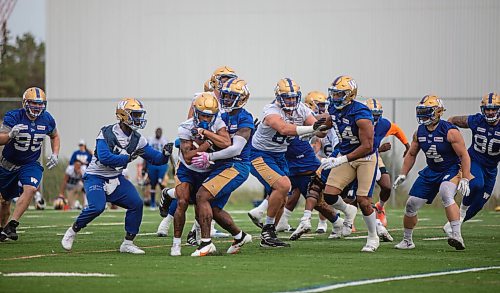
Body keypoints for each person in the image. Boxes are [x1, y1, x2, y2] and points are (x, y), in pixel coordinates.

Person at [60, 98, 173, 254]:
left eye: (139, 115)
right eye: (135, 114)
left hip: (115, 178)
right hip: (96, 176)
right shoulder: (107, 132)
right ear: (123, 115)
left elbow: (156, 159)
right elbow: (104, 157)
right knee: (97, 207)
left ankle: (128, 243)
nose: (138, 119)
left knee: (136, 203)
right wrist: (126, 158)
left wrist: (165, 154)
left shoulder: (138, 139)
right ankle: (73, 230)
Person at [249, 78, 326, 248]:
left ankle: (270, 235)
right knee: (283, 185)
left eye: (293, 97)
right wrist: (314, 128)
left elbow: (320, 132)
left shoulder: (302, 109)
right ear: (278, 97)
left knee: (284, 195)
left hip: (280, 156)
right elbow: (284, 128)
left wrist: (324, 124)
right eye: (287, 97)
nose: (291, 100)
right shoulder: (271, 110)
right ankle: (267, 230)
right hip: (260, 154)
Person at [393, 95, 471, 251]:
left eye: (427, 111)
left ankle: (456, 235)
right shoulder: (420, 131)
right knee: (411, 204)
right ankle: (407, 240)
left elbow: (464, 155)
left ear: (438, 112)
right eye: (421, 111)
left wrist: (466, 178)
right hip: (432, 170)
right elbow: (412, 153)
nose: (423, 115)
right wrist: (403, 173)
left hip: (450, 169)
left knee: (446, 193)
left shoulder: (450, 131)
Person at [190, 78, 254, 256]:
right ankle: (240, 236)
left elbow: (235, 149)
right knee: (214, 208)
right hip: (221, 165)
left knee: (201, 196)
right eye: (224, 95)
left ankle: (206, 243)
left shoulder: (244, 118)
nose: (225, 99)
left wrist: (209, 155)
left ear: (242, 98)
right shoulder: (221, 116)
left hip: (237, 165)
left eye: (231, 96)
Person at [319, 76, 381, 252]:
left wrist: (341, 159)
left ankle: (373, 237)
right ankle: (348, 210)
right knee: (329, 194)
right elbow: (330, 122)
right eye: (334, 93)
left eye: (339, 94)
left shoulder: (361, 113)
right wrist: (313, 131)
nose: (335, 97)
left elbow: (368, 146)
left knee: (363, 200)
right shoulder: (333, 107)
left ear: (350, 95)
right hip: (346, 154)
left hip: (365, 158)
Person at [170, 92, 231, 256]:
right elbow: (189, 158)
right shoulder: (186, 126)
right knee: (182, 202)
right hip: (187, 170)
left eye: (209, 116)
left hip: (208, 171)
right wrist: (208, 144)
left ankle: (200, 238)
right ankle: (176, 244)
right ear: (196, 112)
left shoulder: (218, 122)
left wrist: (207, 135)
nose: (206, 119)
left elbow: (226, 142)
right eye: (203, 115)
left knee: (201, 205)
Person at [0, 87, 60, 242]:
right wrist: (10, 135)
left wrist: (55, 153)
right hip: (8, 164)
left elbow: (55, 136)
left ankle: (12, 224)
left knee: (31, 188)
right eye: (33, 103)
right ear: (25, 103)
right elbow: (1, 139)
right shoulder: (14, 116)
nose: (37, 107)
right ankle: (3, 228)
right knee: (4, 201)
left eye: (40, 104)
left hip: (30, 163)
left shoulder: (47, 118)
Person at [442, 93, 499, 234]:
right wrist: (452, 140)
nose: (490, 112)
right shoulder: (477, 120)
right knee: (477, 184)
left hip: (491, 168)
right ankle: (458, 216)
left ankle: (457, 222)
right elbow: (452, 120)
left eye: (493, 109)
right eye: (487, 109)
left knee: (480, 202)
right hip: (474, 160)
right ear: (482, 109)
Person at [364, 98, 410, 227]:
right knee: (354, 192)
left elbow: (396, 129)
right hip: (357, 158)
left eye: (376, 115)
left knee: (386, 186)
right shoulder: (358, 123)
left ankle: (380, 207)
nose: (374, 118)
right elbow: (358, 147)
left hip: (374, 156)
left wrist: (407, 145)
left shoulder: (382, 124)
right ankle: (348, 219)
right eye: (371, 115)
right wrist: (380, 148)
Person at [146, 127, 169, 209]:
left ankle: (165, 201)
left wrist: (173, 165)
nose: (158, 133)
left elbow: (169, 154)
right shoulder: (150, 140)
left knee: (161, 182)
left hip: (162, 164)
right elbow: (145, 153)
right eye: (157, 132)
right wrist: (144, 167)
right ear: (155, 132)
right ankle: (152, 203)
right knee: (153, 184)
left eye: (160, 132)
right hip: (152, 164)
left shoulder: (164, 140)